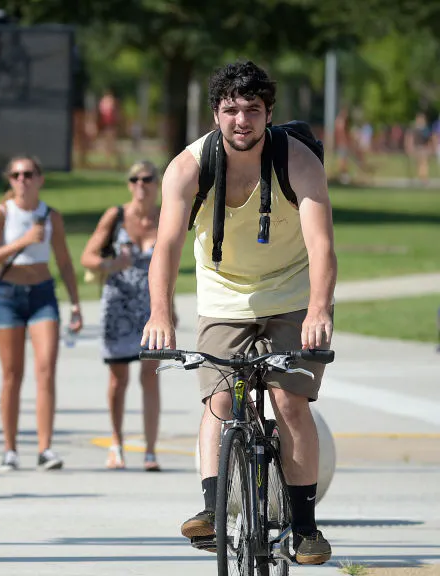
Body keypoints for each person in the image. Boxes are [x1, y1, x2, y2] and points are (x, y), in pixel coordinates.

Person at [141, 60, 336, 565]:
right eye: (231, 110)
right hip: (223, 299)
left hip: (293, 295)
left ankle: (305, 529)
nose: (241, 120)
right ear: (215, 114)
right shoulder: (189, 167)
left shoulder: (297, 162)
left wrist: (318, 310)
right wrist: (160, 314)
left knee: (288, 400)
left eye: (252, 109)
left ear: (269, 113)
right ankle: (211, 509)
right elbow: (164, 247)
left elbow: (322, 246)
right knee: (220, 401)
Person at [0, 155, 83, 472]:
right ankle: (9, 449)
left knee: (46, 368)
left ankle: (45, 448)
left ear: (40, 179)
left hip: (42, 294)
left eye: (29, 174)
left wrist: (76, 303)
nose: (22, 180)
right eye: (16, 175)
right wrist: (21, 241)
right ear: (10, 180)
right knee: (12, 375)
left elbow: (64, 261)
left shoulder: (50, 216)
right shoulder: (0, 214)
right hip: (8, 296)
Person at [80, 161, 164, 471]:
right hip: (118, 306)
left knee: (150, 377)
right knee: (118, 380)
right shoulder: (115, 216)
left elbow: (170, 265)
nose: (141, 184)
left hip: (151, 308)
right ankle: (116, 443)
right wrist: (111, 265)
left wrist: (168, 307)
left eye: (147, 179)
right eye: (134, 179)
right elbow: (86, 256)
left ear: (157, 183)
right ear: (129, 184)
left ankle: (151, 450)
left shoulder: (166, 218)